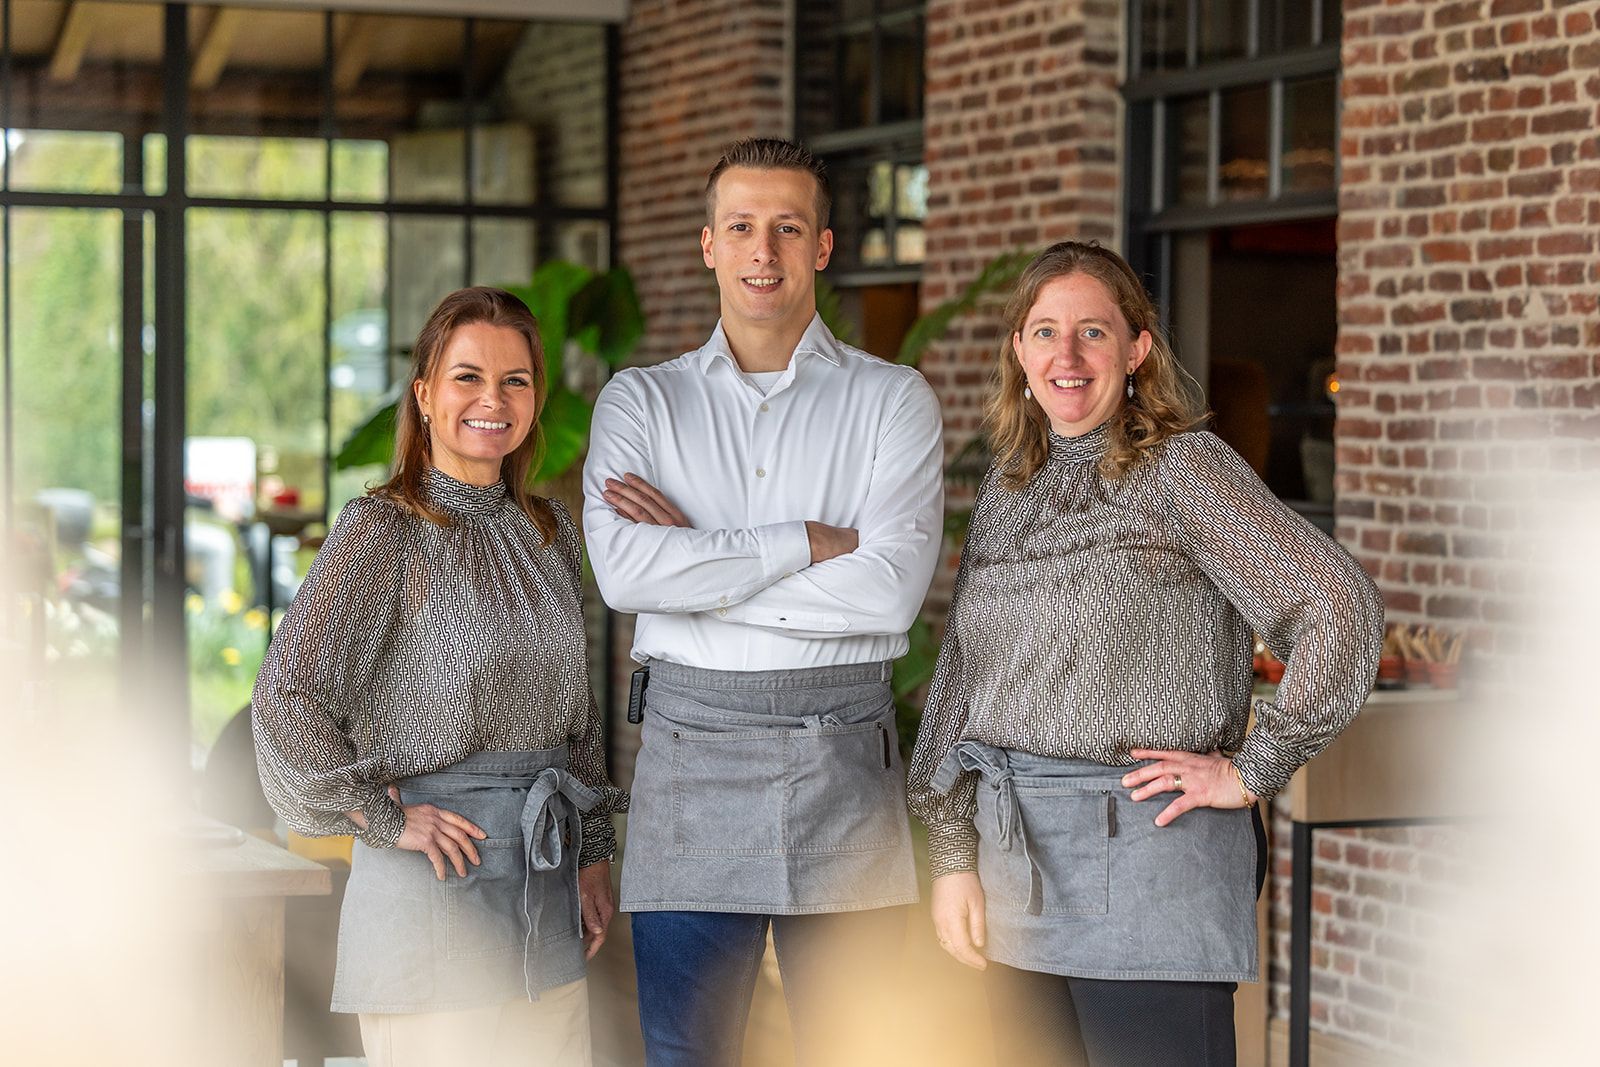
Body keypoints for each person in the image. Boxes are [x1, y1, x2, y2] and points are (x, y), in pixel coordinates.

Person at [905, 241, 1385, 1067]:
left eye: (1093, 331)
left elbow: (1338, 603)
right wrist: (952, 855)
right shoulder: (1009, 486)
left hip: (1153, 865)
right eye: (1045, 330)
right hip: (1019, 869)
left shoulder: (1182, 468)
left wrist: (1250, 769)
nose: (1067, 354)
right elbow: (962, 680)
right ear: (1019, 352)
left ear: (1137, 349)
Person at [582, 137, 945, 1067]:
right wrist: (802, 544)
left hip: (846, 765)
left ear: (822, 246)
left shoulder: (893, 399)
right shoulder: (640, 402)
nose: (763, 251)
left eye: (789, 228)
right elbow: (625, 579)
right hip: (689, 762)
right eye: (741, 226)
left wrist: (698, 577)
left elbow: (891, 592)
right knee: (683, 1054)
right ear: (709, 243)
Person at [253, 286, 627, 1067]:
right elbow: (285, 692)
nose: (492, 399)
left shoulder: (551, 536)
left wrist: (592, 854)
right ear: (424, 393)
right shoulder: (382, 530)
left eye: (515, 380)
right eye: (468, 377)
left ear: (535, 398)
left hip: (544, 880)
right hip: (432, 884)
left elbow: (578, 724)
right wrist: (382, 816)